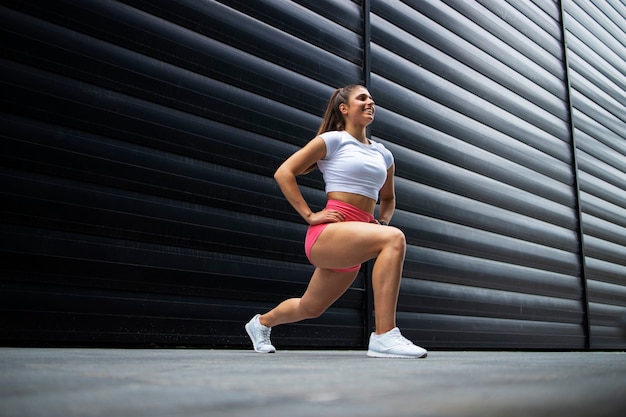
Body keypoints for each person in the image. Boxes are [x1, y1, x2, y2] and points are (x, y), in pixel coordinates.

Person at [245, 85, 427, 358]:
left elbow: (388, 198)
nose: (370, 102)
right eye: (362, 98)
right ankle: (384, 336)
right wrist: (310, 215)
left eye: (371, 99)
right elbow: (284, 172)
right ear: (344, 108)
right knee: (395, 239)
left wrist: (383, 221)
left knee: (310, 307)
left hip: (357, 235)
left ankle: (260, 323)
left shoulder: (383, 154)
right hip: (329, 233)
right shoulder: (334, 140)